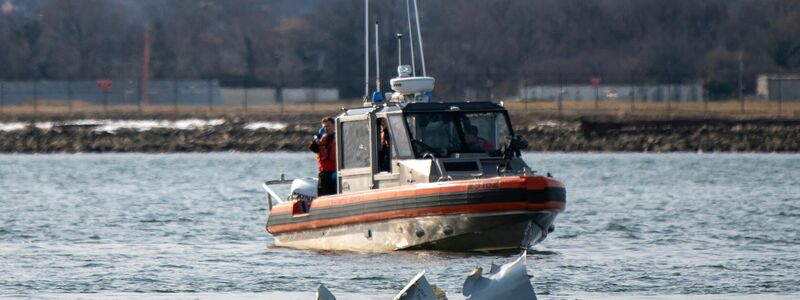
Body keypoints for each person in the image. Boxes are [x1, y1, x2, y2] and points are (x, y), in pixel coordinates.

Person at [308, 116, 337, 196]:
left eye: (328, 126)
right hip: (324, 173)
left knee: (335, 194)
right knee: (322, 195)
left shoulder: (338, 137)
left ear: (334, 126)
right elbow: (312, 148)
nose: (326, 128)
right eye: (324, 127)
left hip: (335, 173)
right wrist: (318, 136)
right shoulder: (320, 139)